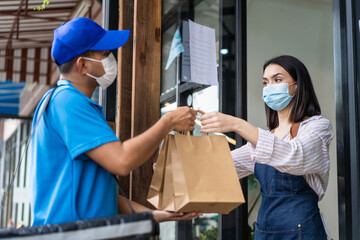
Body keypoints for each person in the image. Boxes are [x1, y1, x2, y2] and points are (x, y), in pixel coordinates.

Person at [30, 17, 201, 226]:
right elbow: (121, 161)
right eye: (104, 54)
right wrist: (168, 122)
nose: (111, 59)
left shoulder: (65, 101)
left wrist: (153, 215)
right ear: (83, 65)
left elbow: (99, 192)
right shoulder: (69, 103)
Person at [200, 55, 334, 239]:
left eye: (277, 79)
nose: (269, 86)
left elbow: (293, 155)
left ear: (297, 85)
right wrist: (174, 169)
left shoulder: (318, 127)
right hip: (264, 232)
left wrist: (237, 124)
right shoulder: (265, 138)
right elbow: (222, 167)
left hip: (303, 232)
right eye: (265, 82)